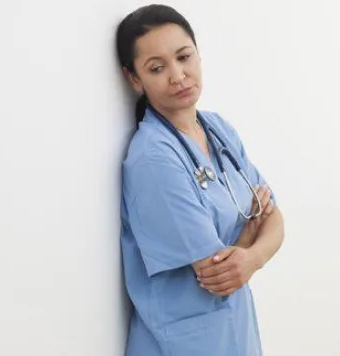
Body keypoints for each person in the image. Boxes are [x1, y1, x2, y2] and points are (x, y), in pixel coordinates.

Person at [116, 5, 284, 356]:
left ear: (198, 55)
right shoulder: (152, 159)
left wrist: (250, 258)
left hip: (235, 333)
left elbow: (275, 218)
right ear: (135, 79)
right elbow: (217, 273)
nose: (177, 75)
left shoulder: (218, 129)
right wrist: (252, 238)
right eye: (157, 68)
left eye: (184, 57)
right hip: (181, 344)